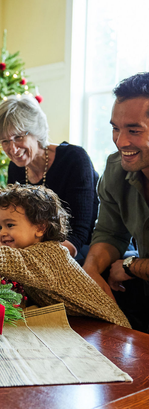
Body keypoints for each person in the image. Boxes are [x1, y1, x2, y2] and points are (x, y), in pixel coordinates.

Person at [0, 183, 130, 328]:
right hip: (82, 324)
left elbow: (10, 260)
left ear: (40, 228)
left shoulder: (50, 254)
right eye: (0, 226)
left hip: (108, 328)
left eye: (10, 225)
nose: (2, 233)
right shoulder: (30, 252)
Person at [0, 95, 99, 260]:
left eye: (18, 137)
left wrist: (42, 259)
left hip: (81, 247)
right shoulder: (16, 168)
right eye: (4, 141)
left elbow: (80, 231)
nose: (12, 149)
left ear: (35, 131)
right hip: (38, 248)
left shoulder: (74, 158)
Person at [83, 72, 149, 333]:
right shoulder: (116, 170)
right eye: (115, 128)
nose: (121, 142)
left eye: (133, 130)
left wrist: (131, 266)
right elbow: (110, 232)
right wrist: (90, 271)